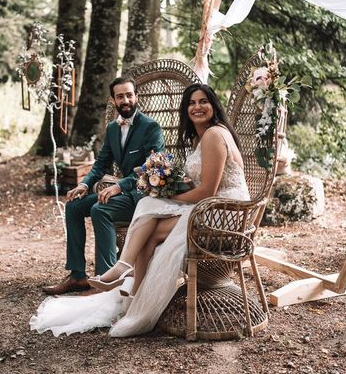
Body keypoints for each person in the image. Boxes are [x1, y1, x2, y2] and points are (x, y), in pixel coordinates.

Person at [30, 83, 250, 337]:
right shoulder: (198, 137)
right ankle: (122, 279)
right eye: (191, 103)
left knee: (147, 221)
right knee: (144, 208)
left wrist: (170, 193)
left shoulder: (212, 134)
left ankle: (133, 293)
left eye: (203, 101)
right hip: (207, 205)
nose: (197, 107)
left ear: (213, 104)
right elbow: (103, 163)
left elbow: (208, 191)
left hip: (224, 213)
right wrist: (86, 184)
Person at [42, 77, 165, 295]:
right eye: (120, 96)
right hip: (123, 194)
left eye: (129, 95)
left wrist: (120, 186)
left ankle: (106, 280)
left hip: (143, 197)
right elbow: (101, 163)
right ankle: (78, 276)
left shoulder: (150, 127)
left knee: (101, 209)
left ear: (136, 96)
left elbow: (152, 167)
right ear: (113, 100)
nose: (125, 100)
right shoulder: (112, 129)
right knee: (74, 206)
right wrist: (84, 184)